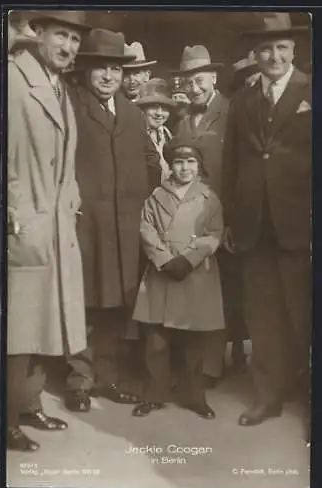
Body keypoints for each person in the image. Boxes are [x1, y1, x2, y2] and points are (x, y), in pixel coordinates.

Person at [64, 28, 161, 412]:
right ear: (86, 71)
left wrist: (142, 198)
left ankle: (107, 377)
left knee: (116, 306)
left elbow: (151, 160)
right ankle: (79, 381)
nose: (109, 76)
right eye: (100, 68)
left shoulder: (133, 113)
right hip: (86, 225)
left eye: (116, 70)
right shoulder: (71, 107)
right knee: (85, 303)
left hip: (125, 227)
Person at [222, 13, 311, 427]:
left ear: (294, 50)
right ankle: (268, 395)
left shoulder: (311, 90)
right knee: (262, 314)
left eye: (281, 48)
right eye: (265, 49)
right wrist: (228, 217)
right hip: (253, 222)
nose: (273, 56)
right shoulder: (243, 99)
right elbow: (231, 162)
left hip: (301, 223)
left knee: (306, 312)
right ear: (254, 54)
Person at [7, 10, 90, 452]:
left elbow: (65, 159)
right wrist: (14, 212)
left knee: (43, 321)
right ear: (37, 33)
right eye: (62, 35)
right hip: (24, 223)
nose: (69, 46)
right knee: (17, 329)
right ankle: (6, 420)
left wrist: (71, 193)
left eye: (75, 40)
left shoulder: (57, 84)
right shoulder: (13, 80)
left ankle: (27, 404)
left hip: (54, 222)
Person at [132, 134, 225, 418]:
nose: (185, 168)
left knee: (193, 342)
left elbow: (214, 233)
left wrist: (189, 259)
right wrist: (163, 259)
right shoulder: (156, 196)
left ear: (199, 166)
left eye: (190, 162)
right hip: (163, 272)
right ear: (170, 166)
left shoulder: (209, 198)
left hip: (194, 274)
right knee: (156, 341)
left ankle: (194, 395)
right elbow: (146, 229)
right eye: (178, 162)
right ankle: (154, 394)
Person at [172, 45, 229, 385]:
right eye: (188, 81)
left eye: (200, 80)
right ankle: (190, 364)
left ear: (214, 78)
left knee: (215, 291)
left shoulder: (230, 112)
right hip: (184, 216)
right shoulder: (181, 118)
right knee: (191, 288)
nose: (194, 87)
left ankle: (211, 366)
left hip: (217, 213)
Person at [137, 78, 176, 182]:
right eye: (153, 107)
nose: (159, 113)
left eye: (164, 108)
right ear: (143, 108)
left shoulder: (167, 134)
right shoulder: (135, 135)